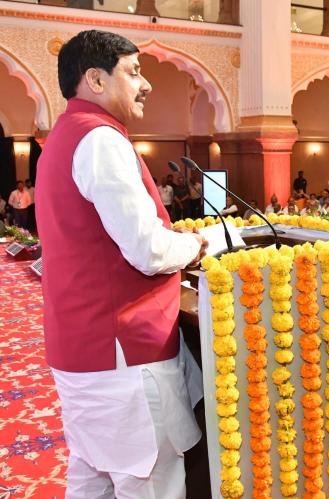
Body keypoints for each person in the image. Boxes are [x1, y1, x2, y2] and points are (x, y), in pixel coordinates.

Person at [36, 30, 207, 497]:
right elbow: (147, 250)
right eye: (133, 72)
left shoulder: (63, 136)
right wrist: (196, 245)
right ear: (95, 79)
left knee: (93, 476)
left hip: (82, 348)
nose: (145, 84)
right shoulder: (100, 139)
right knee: (148, 483)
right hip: (121, 355)